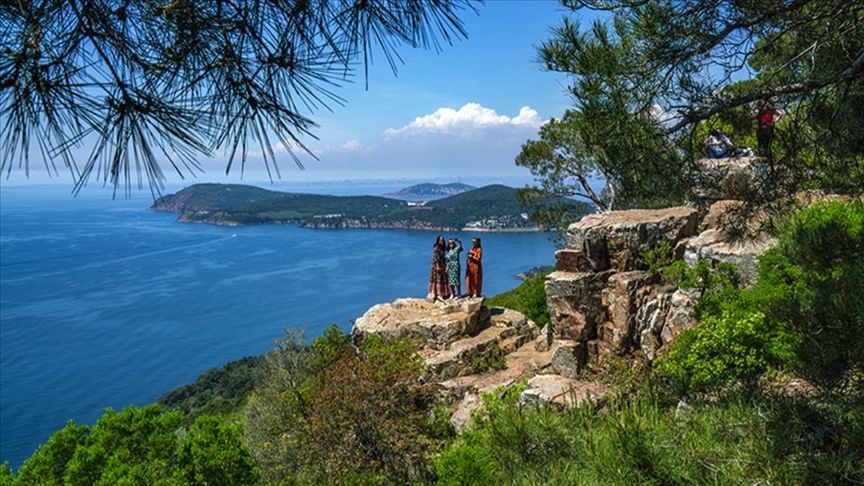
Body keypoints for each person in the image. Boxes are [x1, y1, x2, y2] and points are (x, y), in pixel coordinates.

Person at [429, 235, 450, 301]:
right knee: (438, 279)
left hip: (442, 265)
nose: (442, 241)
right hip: (437, 265)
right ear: (438, 241)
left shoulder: (442, 248)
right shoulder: (437, 248)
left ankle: (442, 293)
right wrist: (437, 266)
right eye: (440, 240)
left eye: (442, 240)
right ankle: (439, 294)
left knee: (442, 279)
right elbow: (436, 258)